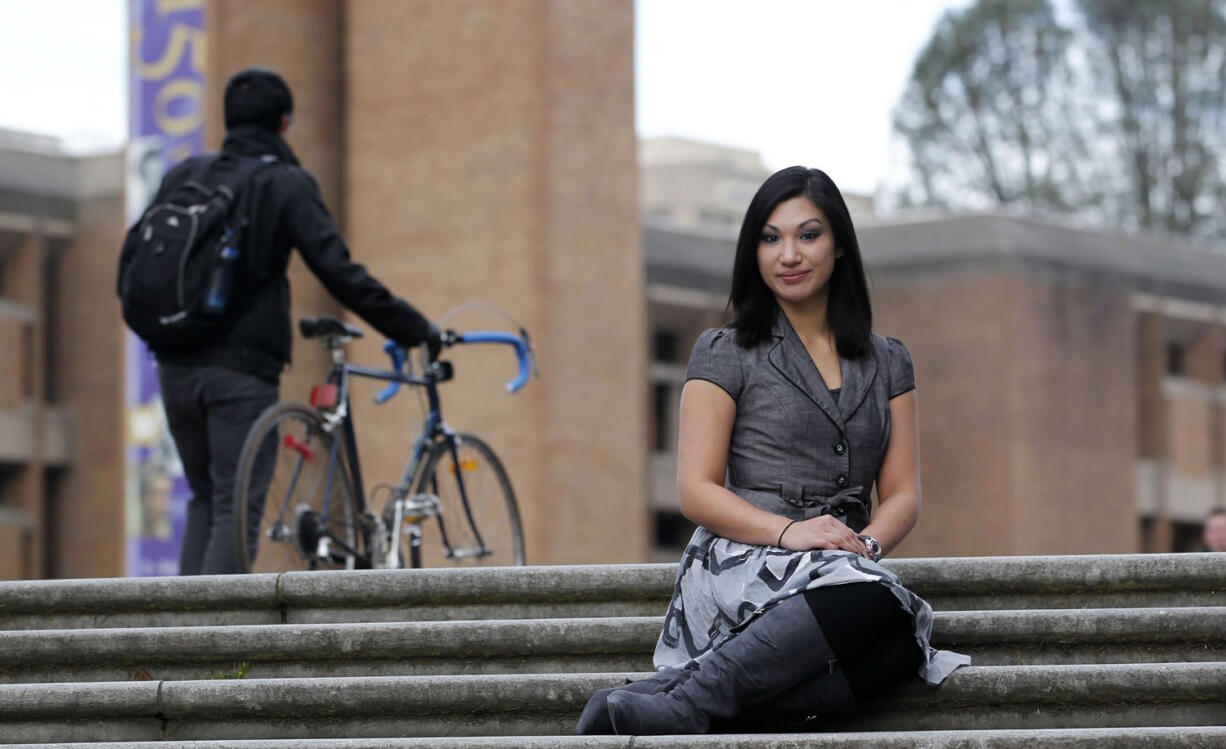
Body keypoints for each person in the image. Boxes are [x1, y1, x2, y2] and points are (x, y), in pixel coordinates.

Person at [578, 166, 968, 735]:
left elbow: (904, 492)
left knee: (904, 647)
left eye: (808, 235)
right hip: (746, 555)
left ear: (839, 247)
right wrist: (792, 533)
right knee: (878, 606)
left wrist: (867, 546)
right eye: (770, 237)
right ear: (753, 252)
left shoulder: (890, 362)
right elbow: (695, 490)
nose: (789, 254)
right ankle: (692, 703)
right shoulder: (725, 350)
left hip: (843, 566)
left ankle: (675, 697)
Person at [136, 68, 439, 575]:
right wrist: (413, 327)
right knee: (236, 504)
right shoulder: (282, 182)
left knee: (205, 500)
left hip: (173, 365)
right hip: (240, 369)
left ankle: (179, 642)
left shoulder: (184, 176)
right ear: (284, 122)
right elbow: (340, 272)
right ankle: (212, 644)